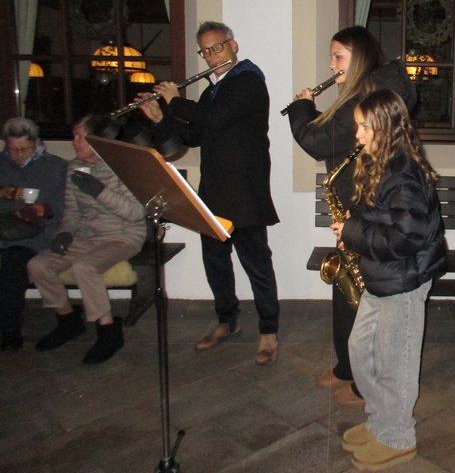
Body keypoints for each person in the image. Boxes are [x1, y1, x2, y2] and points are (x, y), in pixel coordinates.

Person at [286, 25, 416, 406]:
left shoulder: (367, 96)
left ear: (358, 58)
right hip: (356, 208)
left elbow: (318, 141)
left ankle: (365, 382)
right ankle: (347, 367)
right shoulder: (364, 93)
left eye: (338, 56)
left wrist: (301, 110)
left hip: (371, 211)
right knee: (348, 292)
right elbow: (334, 135)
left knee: (366, 302)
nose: (331, 65)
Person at [139, 21, 280, 365]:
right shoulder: (212, 91)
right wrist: (160, 118)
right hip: (214, 191)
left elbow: (216, 118)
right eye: (205, 51)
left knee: (256, 263)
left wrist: (174, 101)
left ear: (233, 45)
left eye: (217, 47)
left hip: (244, 192)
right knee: (215, 262)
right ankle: (226, 320)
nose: (212, 56)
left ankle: (268, 330)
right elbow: (194, 136)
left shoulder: (249, 81)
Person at [331, 89, 446, 471]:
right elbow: (382, 217)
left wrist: (352, 232)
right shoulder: (379, 162)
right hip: (382, 275)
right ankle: (380, 423)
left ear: (387, 127)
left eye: (365, 127)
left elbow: (406, 237)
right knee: (361, 350)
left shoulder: (404, 172)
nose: (358, 135)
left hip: (404, 282)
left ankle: (398, 438)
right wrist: (354, 224)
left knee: (396, 364)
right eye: (358, 126)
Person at [27, 115, 146, 364]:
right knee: (38, 265)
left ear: (97, 140)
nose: (74, 142)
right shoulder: (74, 167)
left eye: (79, 137)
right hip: (85, 236)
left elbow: (135, 213)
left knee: (84, 267)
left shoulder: (122, 166)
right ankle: (67, 319)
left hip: (123, 235)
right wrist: (64, 233)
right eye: (74, 136)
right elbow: (72, 212)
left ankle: (108, 330)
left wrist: (98, 190)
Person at [0, 117, 67, 350]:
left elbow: (61, 208)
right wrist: (5, 193)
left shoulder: (55, 167)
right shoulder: (1, 163)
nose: (18, 155)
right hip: (3, 227)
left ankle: (9, 331)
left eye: (24, 149)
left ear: (35, 143)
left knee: (13, 263)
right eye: (13, 149)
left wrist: (40, 210)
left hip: (34, 235)